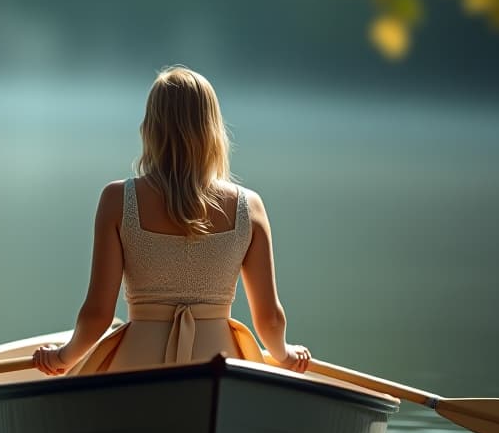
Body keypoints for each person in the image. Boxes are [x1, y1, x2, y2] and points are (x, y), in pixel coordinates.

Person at [33, 66, 312, 377]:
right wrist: (285, 355)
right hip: (220, 365)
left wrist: (62, 356)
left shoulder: (117, 200)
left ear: (150, 128)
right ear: (213, 129)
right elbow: (270, 319)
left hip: (136, 366)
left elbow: (98, 315)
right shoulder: (249, 207)